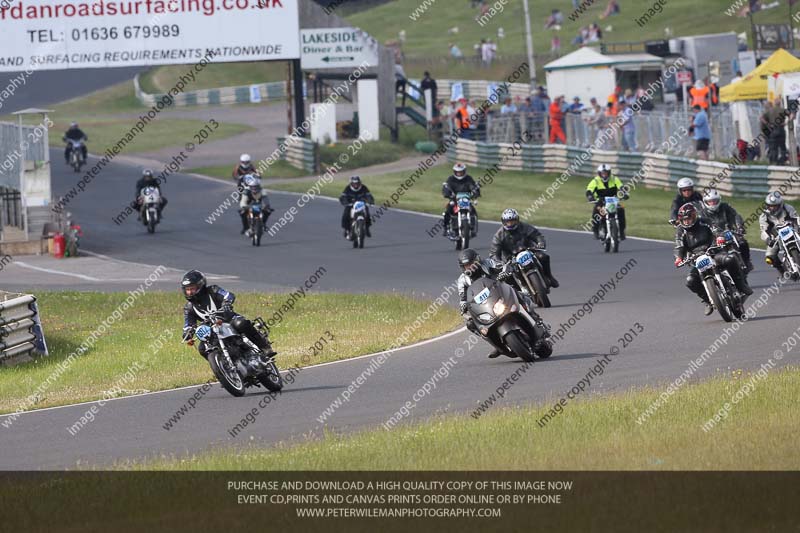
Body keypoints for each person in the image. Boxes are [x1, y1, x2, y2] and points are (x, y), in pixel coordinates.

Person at [457, 248, 550, 359]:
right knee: (470, 324)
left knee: (520, 295)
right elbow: (463, 297)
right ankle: (497, 344)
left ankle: (536, 320)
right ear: (463, 267)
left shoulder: (488, 263)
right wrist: (463, 305)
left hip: (501, 292)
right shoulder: (462, 280)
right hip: (485, 305)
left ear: (477, 260)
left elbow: (504, 266)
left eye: (471, 263)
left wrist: (505, 272)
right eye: (467, 266)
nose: (470, 267)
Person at [673, 204, 752, 317]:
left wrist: (720, 237)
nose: (687, 222)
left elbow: (716, 229)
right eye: (684, 220)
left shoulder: (704, 221)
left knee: (730, 259)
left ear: (694, 216)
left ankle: (741, 285)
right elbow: (679, 245)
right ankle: (708, 300)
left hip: (714, 252)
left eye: (689, 219)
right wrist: (678, 258)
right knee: (690, 281)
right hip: (697, 258)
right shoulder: (681, 230)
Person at [181, 270, 276, 359]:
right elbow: (188, 324)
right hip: (212, 330)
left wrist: (226, 303)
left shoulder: (213, 290)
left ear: (200, 286)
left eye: (192, 289)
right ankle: (222, 369)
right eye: (187, 290)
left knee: (241, 323)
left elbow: (228, 295)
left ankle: (264, 347)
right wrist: (188, 332)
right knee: (202, 348)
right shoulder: (189, 308)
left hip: (229, 319)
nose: (189, 292)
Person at [489, 208, 559, 288]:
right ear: (503, 222)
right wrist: (499, 263)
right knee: (506, 275)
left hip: (528, 250)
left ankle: (549, 277)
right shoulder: (498, 235)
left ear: (517, 220)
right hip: (511, 258)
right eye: (508, 222)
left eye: (513, 221)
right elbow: (494, 253)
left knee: (544, 257)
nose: (510, 224)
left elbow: (537, 235)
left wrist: (540, 243)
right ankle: (517, 292)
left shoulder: (524, 227)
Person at [699, 189, 753, 272]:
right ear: (705, 202)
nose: (713, 203)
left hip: (728, 232)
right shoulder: (702, 214)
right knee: (709, 253)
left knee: (742, 242)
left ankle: (746, 261)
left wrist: (740, 227)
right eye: (710, 201)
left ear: (719, 200)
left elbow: (736, 216)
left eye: (714, 201)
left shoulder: (725, 207)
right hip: (713, 237)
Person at [760, 191, 800, 278]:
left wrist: (798, 226)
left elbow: (796, 218)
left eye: (775, 206)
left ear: (780, 204)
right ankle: (781, 270)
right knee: (769, 257)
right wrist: (768, 239)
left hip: (792, 232)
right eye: (770, 206)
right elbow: (763, 230)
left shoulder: (788, 208)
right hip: (776, 237)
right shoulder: (764, 216)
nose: (773, 208)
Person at [585, 164, 628, 240]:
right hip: (600, 201)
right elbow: (589, 190)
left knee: (621, 210)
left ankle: (621, 231)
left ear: (609, 173)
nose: (604, 175)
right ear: (599, 174)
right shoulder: (595, 181)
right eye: (602, 173)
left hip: (613, 200)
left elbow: (621, 187)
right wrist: (590, 196)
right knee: (596, 211)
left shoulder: (614, 179)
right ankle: (595, 230)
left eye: (606, 173)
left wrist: (624, 193)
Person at [441, 163, 480, 238]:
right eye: (458, 172)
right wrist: (447, 193)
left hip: (466, 199)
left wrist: (475, 192)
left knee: (473, 211)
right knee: (447, 210)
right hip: (454, 200)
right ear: (455, 172)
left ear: (464, 171)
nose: (459, 174)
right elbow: (446, 187)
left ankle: (473, 228)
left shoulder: (468, 178)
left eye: (461, 172)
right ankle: (445, 228)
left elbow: (473, 186)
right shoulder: (451, 179)